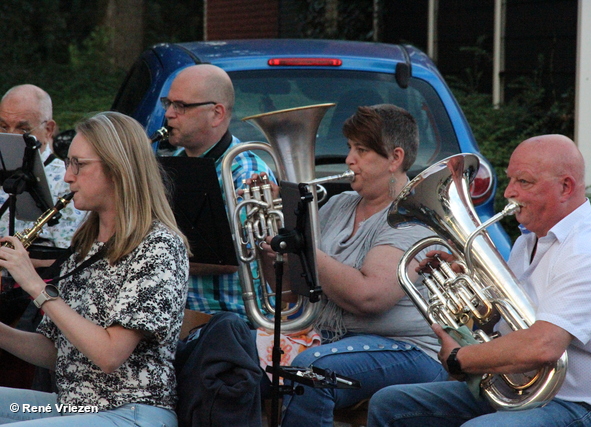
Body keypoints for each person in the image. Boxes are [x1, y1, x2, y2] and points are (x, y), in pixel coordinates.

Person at [367, 134, 591, 427]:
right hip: (520, 392)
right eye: (510, 180)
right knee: (390, 404)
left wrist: (461, 358)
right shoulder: (529, 241)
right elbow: (506, 320)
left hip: (582, 408)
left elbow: (543, 346)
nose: (509, 191)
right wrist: (467, 284)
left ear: (565, 187)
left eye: (524, 182)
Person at [259, 104, 448, 426]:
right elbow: (291, 295)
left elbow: (369, 297)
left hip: (408, 349)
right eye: (349, 148)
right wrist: (272, 250)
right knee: (241, 353)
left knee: (311, 371)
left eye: (361, 150)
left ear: (395, 158)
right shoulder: (339, 204)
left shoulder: (410, 217)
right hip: (331, 340)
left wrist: (303, 246)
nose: (349, 160)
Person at [0, 111, 190, 426]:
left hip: (133, 411)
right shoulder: (86, 246)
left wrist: (34, 284)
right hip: (73, 408)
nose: (67, 176)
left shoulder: (159, 247)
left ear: (118, 170)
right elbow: (57, 352)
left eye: (79, 164)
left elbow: (109, 356)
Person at [163, 64, 276, 324]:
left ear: (216, 114)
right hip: (179, 318)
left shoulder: (246, 172)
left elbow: (233, 260)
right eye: (168, 103)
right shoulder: (172, 165)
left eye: (180, 106)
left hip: (227, 323)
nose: (169, 114)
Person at [0, 84, 85, 254]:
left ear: (49, 130)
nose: (11, 135)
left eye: (22, 129)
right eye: (3, 126)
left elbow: (68, 255)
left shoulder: (68, 180)